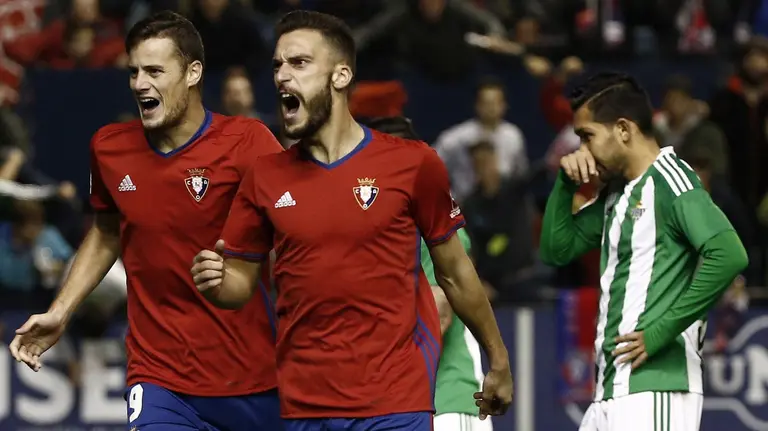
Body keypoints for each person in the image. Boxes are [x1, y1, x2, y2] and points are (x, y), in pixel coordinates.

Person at [190, 10, 513, 431]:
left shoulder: (413, 164)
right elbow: (239, 285)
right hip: (303, 408)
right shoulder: (264, 177)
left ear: (340, 76)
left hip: (395, 406)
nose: (282, 76)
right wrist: (216, 282)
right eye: (277, 65)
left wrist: (499, 358)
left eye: (299, 63)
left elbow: (454, 273)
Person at [9, 11, 284, 431]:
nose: (140, 83)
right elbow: (106, 232)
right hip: (159, 377)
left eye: (155, 71)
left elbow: (295, 232)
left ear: (193, 73)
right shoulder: (109, 148)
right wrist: (60, 312)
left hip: (253, 378)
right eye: (134, 71)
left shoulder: (248, 143)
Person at [539, 72, 748, 431]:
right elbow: (557, 249)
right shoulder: (618, 193)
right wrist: (564, 184)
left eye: (587, 137)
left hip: (656, 389)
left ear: (623, 129)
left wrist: (660, 332)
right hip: (611, 390)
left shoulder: (671, 178)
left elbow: (728, 254)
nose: (582, 150)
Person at [362, 116, 492, 431]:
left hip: (447, 401)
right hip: (400, 406)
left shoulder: (436, 227)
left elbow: (438, 316)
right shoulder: (376, 232)